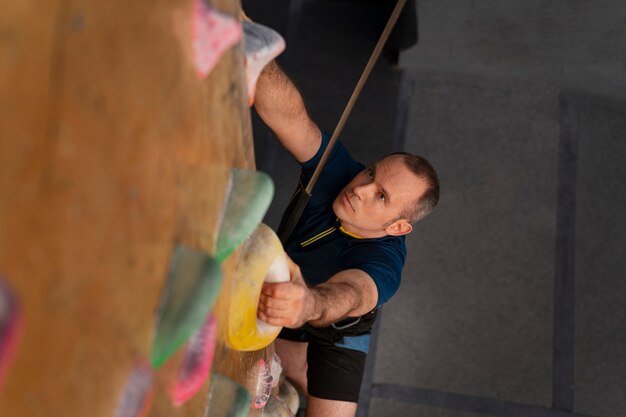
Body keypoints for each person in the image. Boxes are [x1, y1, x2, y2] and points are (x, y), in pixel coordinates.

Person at [253, 60, 439, 417]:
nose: (361, 188)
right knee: (268, 359)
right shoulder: (340, 175)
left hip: (335, 324)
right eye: (371, 172)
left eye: (381, 196)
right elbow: (292, 118)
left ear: (398, 227)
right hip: (290, 294)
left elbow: (351, 295)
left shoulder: (384, 264)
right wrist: (254, 52)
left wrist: (308, 304)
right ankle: (289, 373)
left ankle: (293, 369)